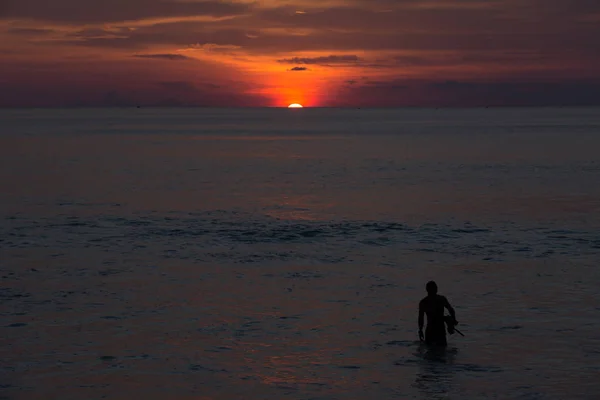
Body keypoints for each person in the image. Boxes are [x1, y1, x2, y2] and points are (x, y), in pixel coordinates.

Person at [418, 281, 457, 346]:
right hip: (439, 329)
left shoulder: (424, 302)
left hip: (431, 330)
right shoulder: (441, 299)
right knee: (442, 351)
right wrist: (453, 320)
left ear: (427, 290)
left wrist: (420, 330)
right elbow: (451, 310)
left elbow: (420, 318)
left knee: (430, 351)